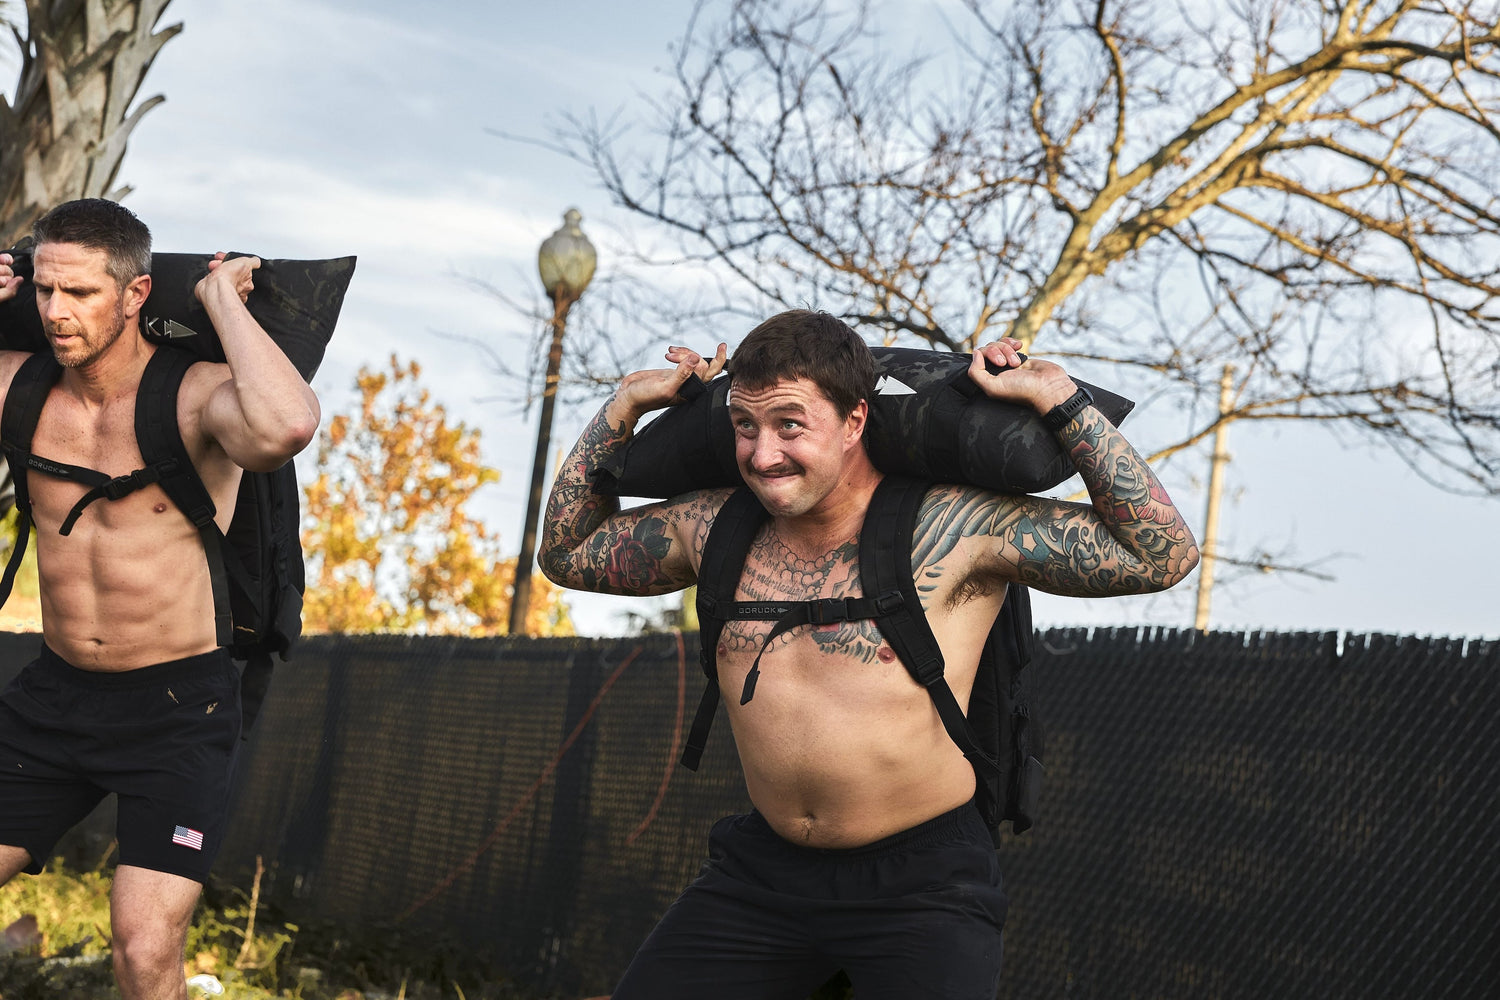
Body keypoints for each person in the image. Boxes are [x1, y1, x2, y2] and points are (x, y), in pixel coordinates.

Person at [540, 309, 1200, 999]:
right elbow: (565, 552)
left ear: (855, 421)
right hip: (762, 873)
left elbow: (1161, 555)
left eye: (790, 425)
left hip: (922, 885)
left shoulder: (955, 530)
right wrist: (622, 406)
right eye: (745, 426)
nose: (763, 455)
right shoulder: (708, 528)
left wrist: (1061, 401)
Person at [0, 199, 320, 1000]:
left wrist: (218, 301)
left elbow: (285, 427)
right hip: (55, 695)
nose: (55, 313)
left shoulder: (197, 395)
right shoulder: (18, 387)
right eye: (44, 291)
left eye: (79, 294)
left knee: (144, 952)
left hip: (177, 709)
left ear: (138, 294)